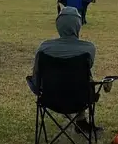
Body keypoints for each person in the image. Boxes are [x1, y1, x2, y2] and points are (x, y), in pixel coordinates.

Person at [28, 8, 99, 137]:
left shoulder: (44, 48)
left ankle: (80, 121)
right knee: (86, 78)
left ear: (58, 25)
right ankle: (81, 120)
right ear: (78, 25)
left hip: (50, 99)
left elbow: (37, 76)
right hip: (80, 99)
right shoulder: (88, 48)